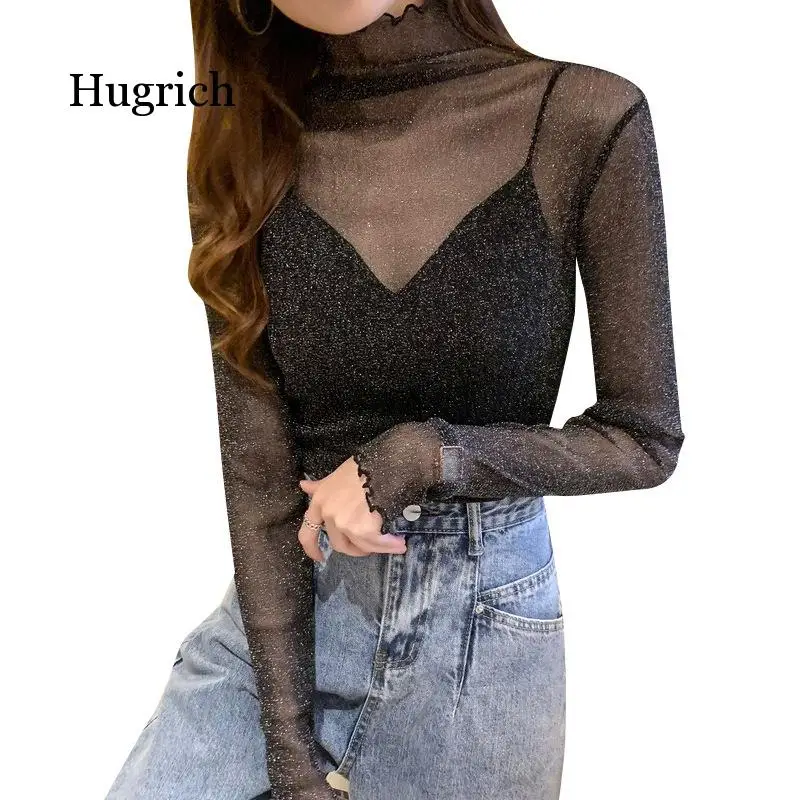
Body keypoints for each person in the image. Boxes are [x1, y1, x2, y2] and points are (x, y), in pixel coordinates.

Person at [105, 1, 685, 798]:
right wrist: (289, 751)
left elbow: (644, 440)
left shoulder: (582, 117)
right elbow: (259, 475)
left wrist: (425, 455)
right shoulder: (251, 146)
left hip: (473, 648)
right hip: (275, 637)